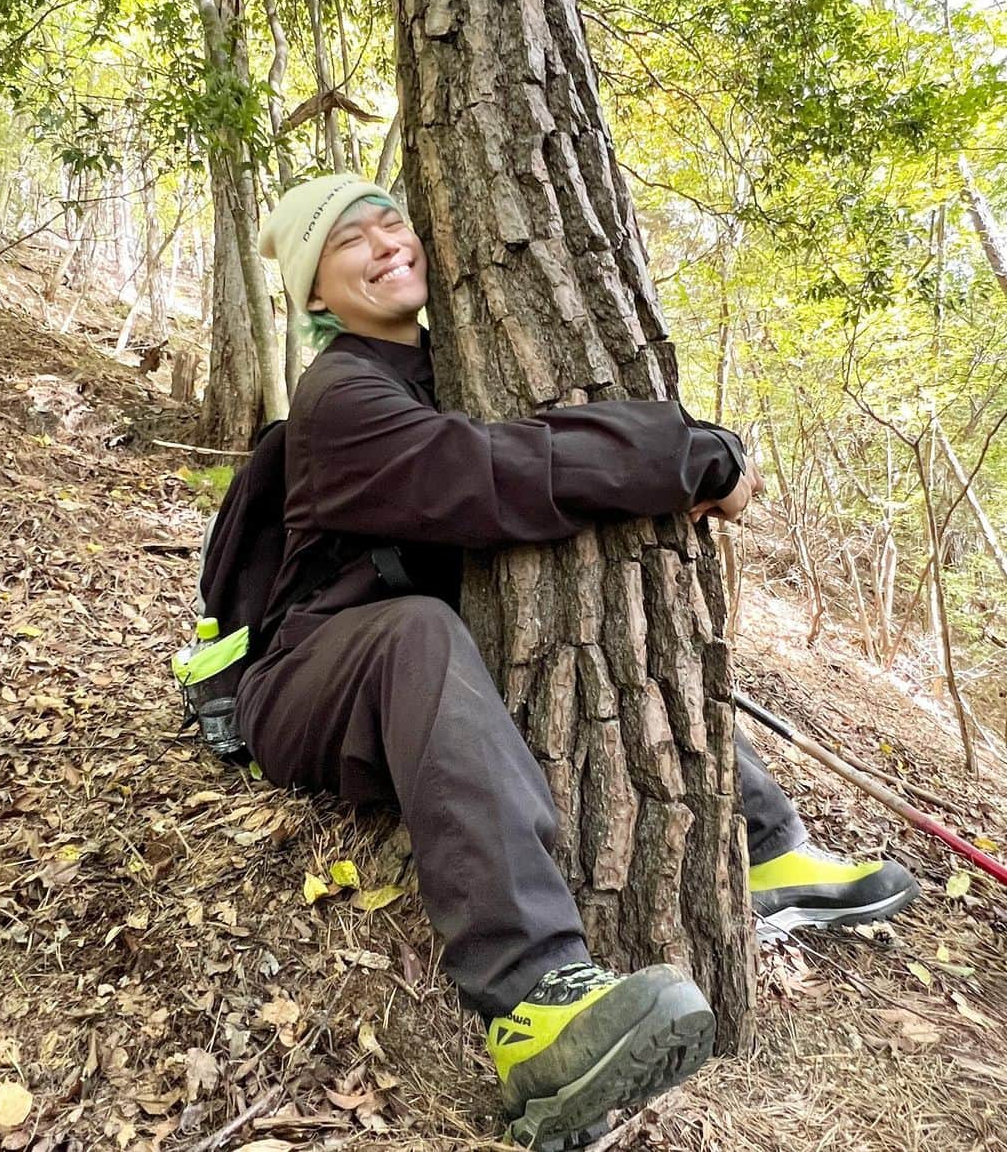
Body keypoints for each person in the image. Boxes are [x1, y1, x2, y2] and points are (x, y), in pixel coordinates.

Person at [242, 175, 919, 1151]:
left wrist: (695, 450)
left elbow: (519, 440)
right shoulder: (343, 394)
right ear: (315, 291)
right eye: (348, 240)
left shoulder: (449, 365)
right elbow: (496, 474)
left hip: (410, 679)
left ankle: (762, 846)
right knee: (422, 628)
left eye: (389, 218)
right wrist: (690, 454)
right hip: (311, 676)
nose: (385, 241)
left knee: (610, 647)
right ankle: (535, 1005)